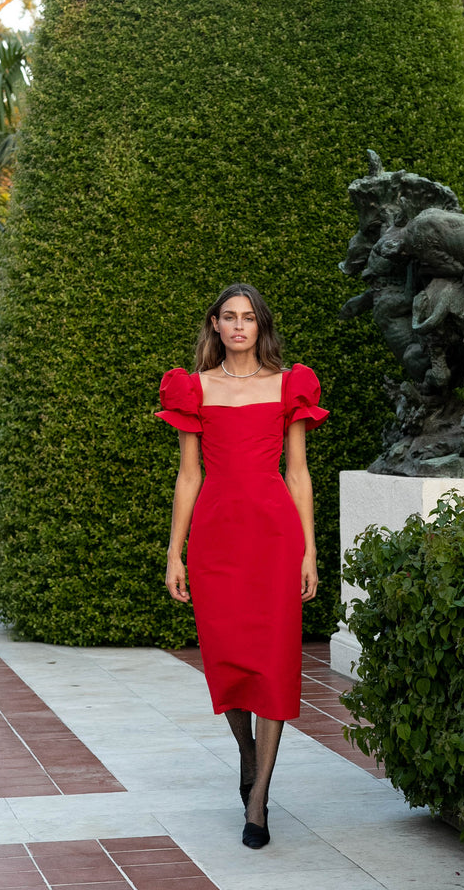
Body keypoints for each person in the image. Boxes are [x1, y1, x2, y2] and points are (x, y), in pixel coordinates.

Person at [156, 283, 328, 849]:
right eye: (228, 318)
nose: (238, 327)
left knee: (274, 660)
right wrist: (174, 552)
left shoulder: (288, 386)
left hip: (275, 537)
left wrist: (310, 549)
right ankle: (245, 751)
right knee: (225, 656)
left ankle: (258, 801)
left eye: (248, 318)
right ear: (214, 325)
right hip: (217, 539)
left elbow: (298, 473)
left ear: (261, 327)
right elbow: (189, 476)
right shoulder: (194, 389)